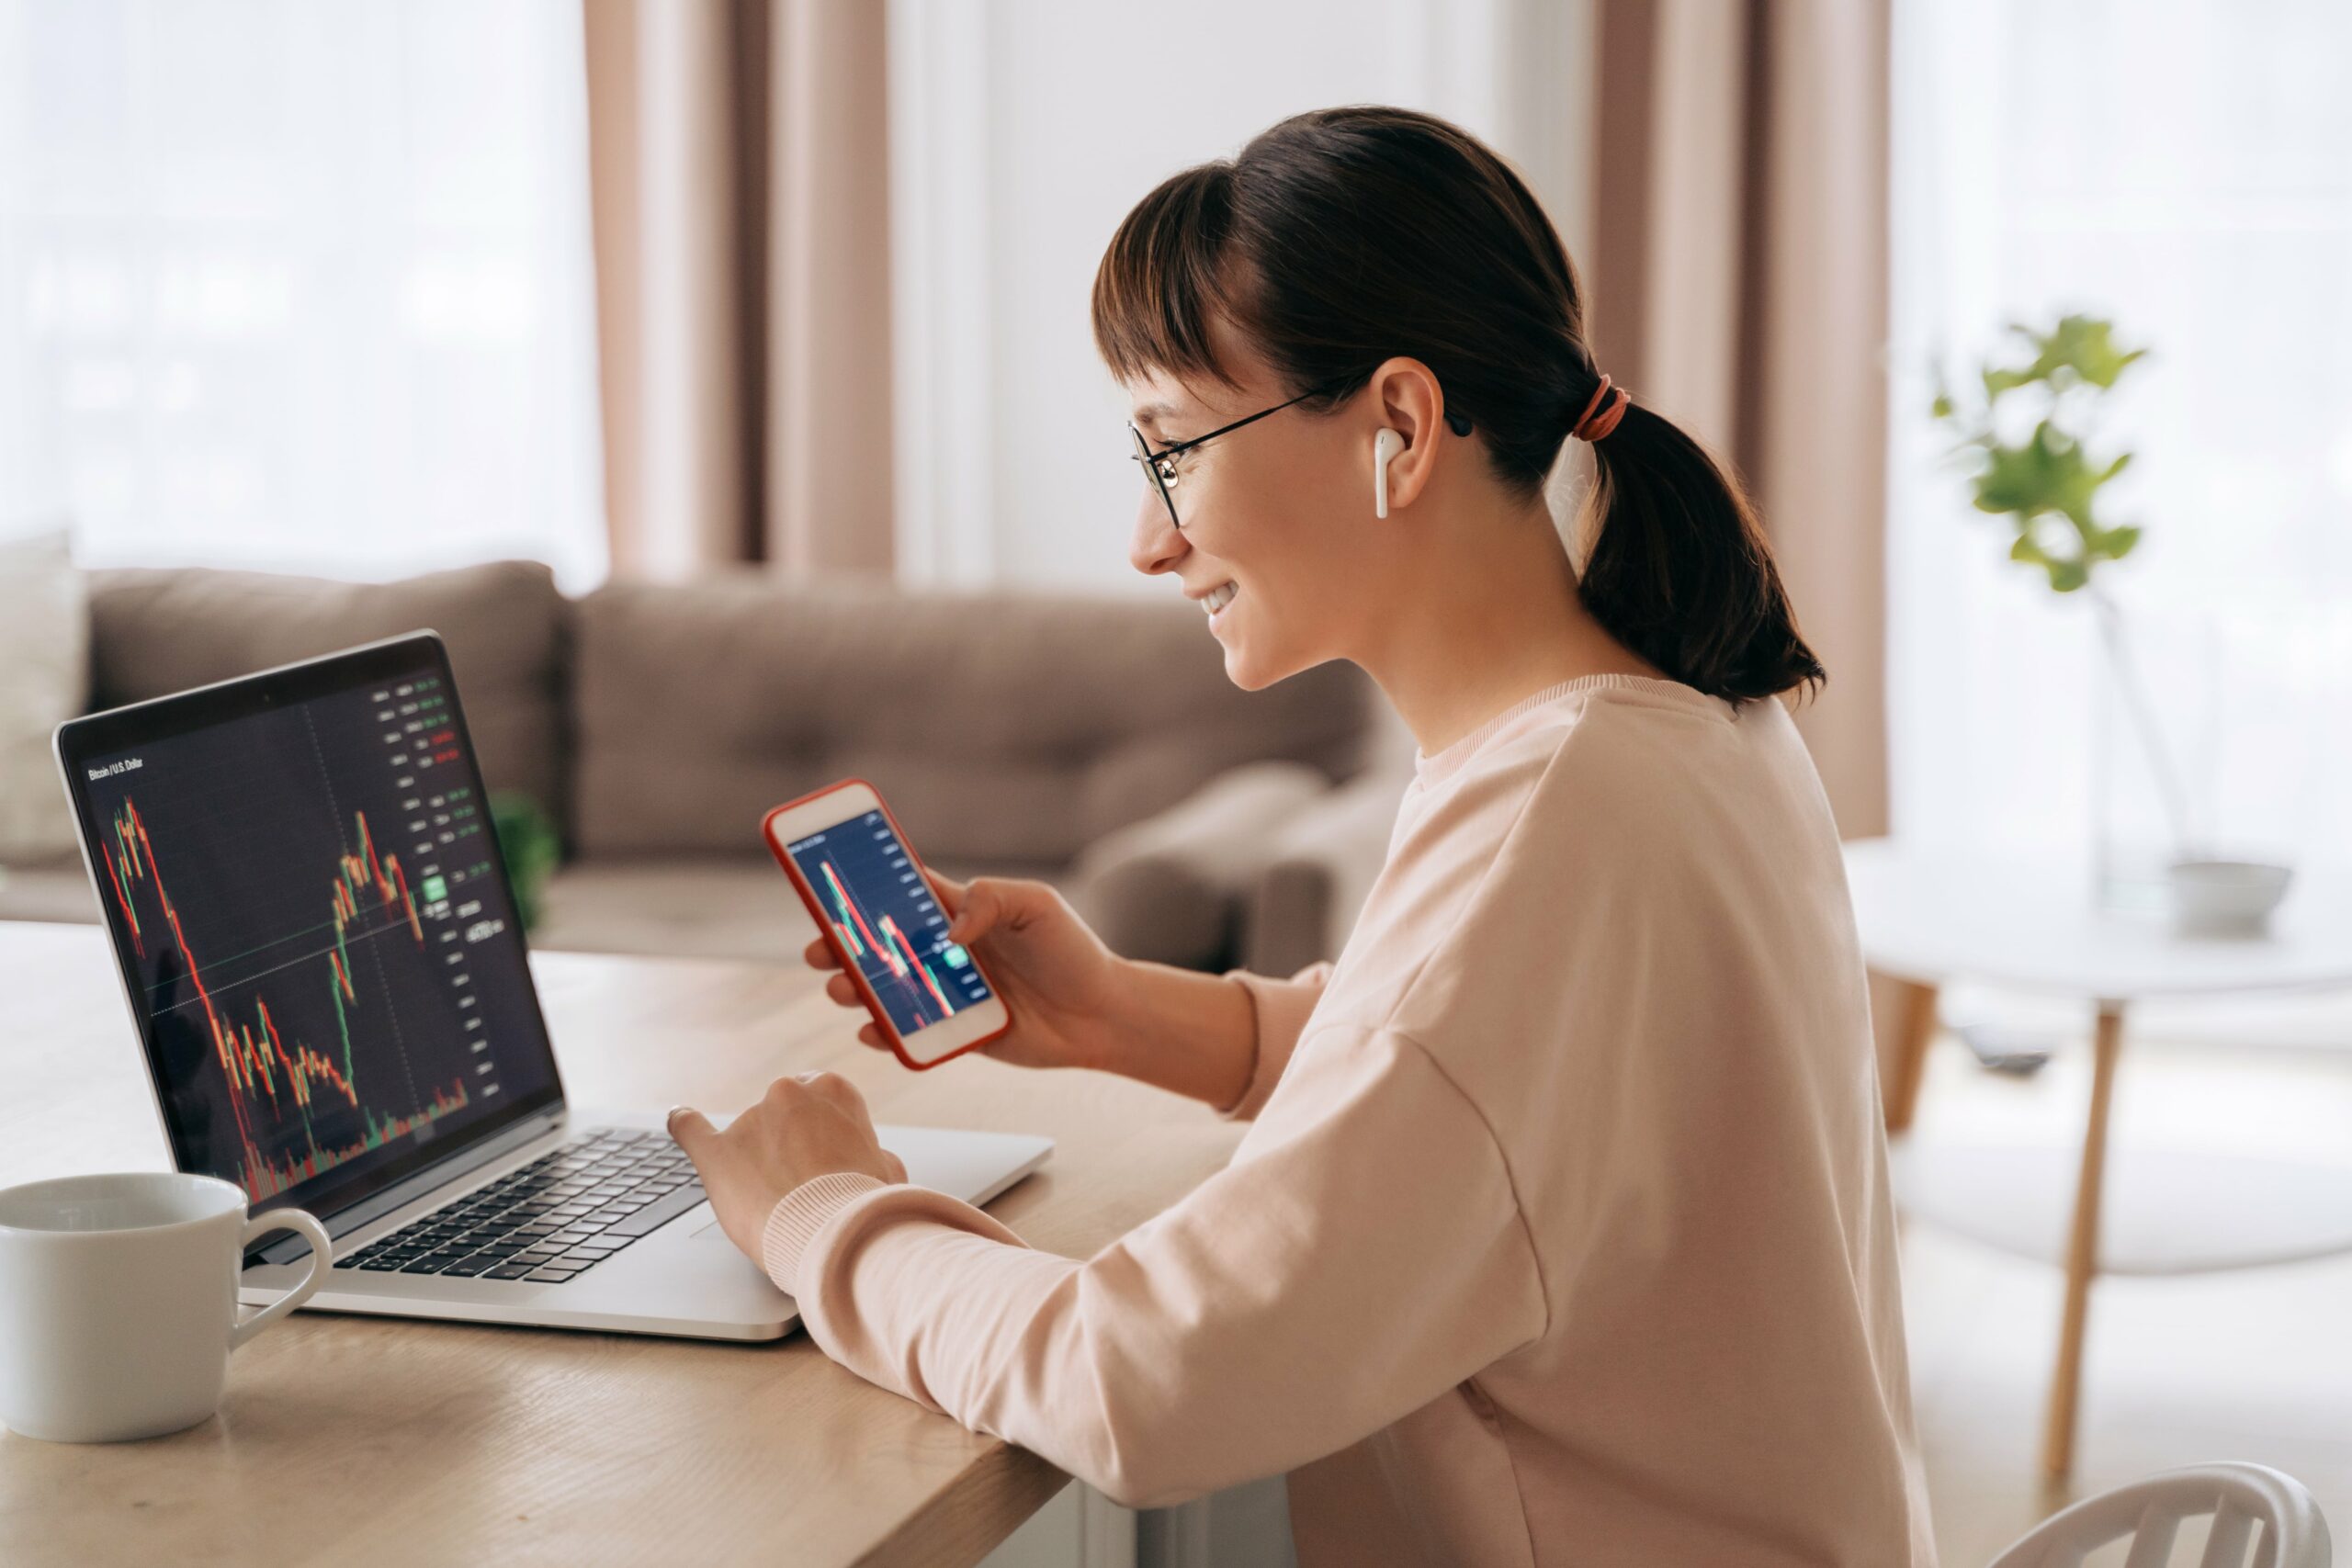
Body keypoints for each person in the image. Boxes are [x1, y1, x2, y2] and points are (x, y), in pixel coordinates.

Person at [669, 105, 1934, 1566]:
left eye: (1172, 453)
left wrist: (823, 1217)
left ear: (1397, 428)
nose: (1150, 542)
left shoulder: (1553, 823)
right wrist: (1124, 1017)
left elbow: (1139, 1385)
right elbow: (1494, 1097)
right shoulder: (1673, 723)